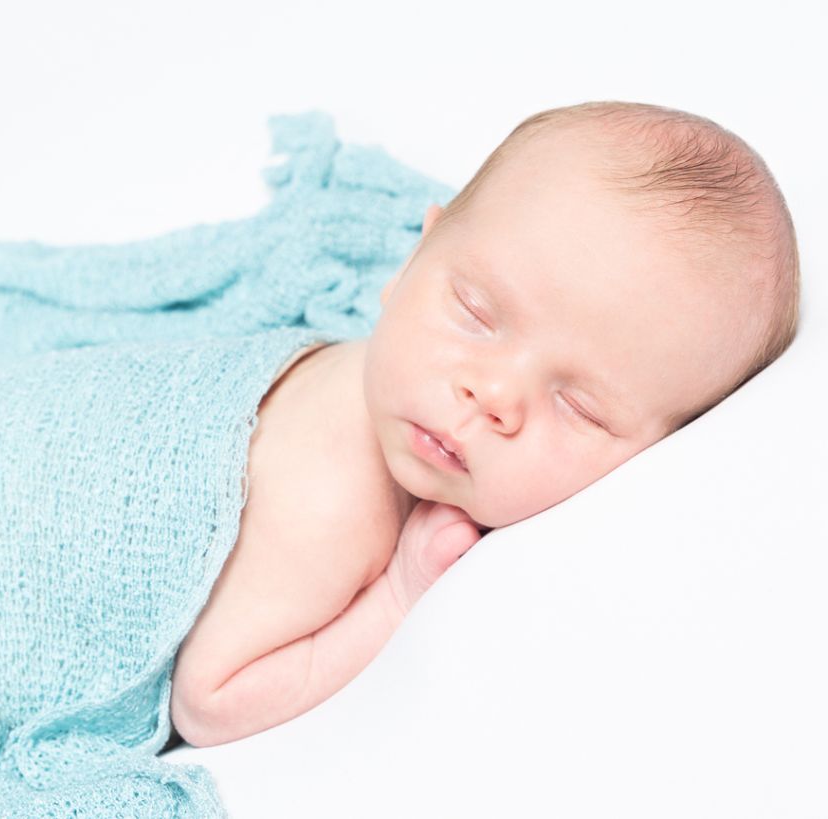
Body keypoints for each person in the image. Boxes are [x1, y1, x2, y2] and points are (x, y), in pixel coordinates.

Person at [169, 100, 801, 749]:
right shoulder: (334, 505)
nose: (493, 394)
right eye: (474, 310)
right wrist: (396, 593)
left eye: (577, 405)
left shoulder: (384, 366)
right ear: (410, 261)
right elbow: (208, 701)